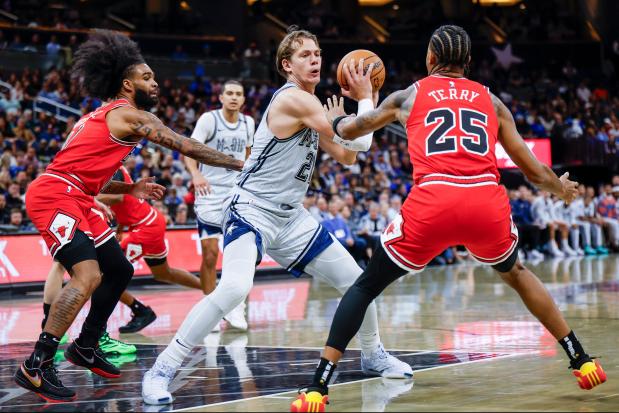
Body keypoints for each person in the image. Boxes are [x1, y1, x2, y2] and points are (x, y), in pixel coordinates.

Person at [293, 25, 606, 412]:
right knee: (518, 274)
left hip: (434, 201)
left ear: (429, 58)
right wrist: (560, 189)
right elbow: (533, 172)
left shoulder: (410, 95)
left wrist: (357, 102)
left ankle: (318, 387)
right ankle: (581, 358)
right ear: (468, 63)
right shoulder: (492, 102)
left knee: (365, 286)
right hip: (484, 201)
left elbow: (351, 131)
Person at [142, 26, 412, 406]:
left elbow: (350, 155)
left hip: (291, 219)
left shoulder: (314, 107)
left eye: (318, 53)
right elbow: (362, 140)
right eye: (305, 55)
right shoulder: (293, 100)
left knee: (358, 282)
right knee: (235, 288)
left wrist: (369, 103)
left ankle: (372, 353)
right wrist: (367, 102)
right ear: (287, 65)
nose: (315, 59)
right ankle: (162, 369)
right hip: (251, 209)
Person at [14, 30, 243, 403]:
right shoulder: (129, 115)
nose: (155, 83)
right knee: (87, 275)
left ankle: (86, 345)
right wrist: (239, 163)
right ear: (127, 83)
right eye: (147, 77)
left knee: (120, 269)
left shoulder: (107, 116)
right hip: (55, 195)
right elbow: (183, 143)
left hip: (79, 196)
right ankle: (37, 365)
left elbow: (88, 173)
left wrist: (130, 189)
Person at [42, 166, 205, 340]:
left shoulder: (111, 166)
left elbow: (119, 196)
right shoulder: (114, 164)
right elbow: (127, 200)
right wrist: (121, 226)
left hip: (145, 228)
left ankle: (140, 310)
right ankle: (211, 289)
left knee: (105, 276)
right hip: (149, 221)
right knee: (164, 273)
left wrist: (89, 198)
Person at [184, 80, 255, 331]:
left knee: (242, 255)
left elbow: (248, 157)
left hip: (235, 194)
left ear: (243, 99)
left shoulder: (248, 123)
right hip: (209, 192)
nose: (234, 97)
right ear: (222, 97)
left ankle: (237, 307)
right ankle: (210, 308)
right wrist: (196, 175)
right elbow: (189, 149)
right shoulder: (209, 120)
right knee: (211, 255)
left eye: (239, 94)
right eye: (230, 93)